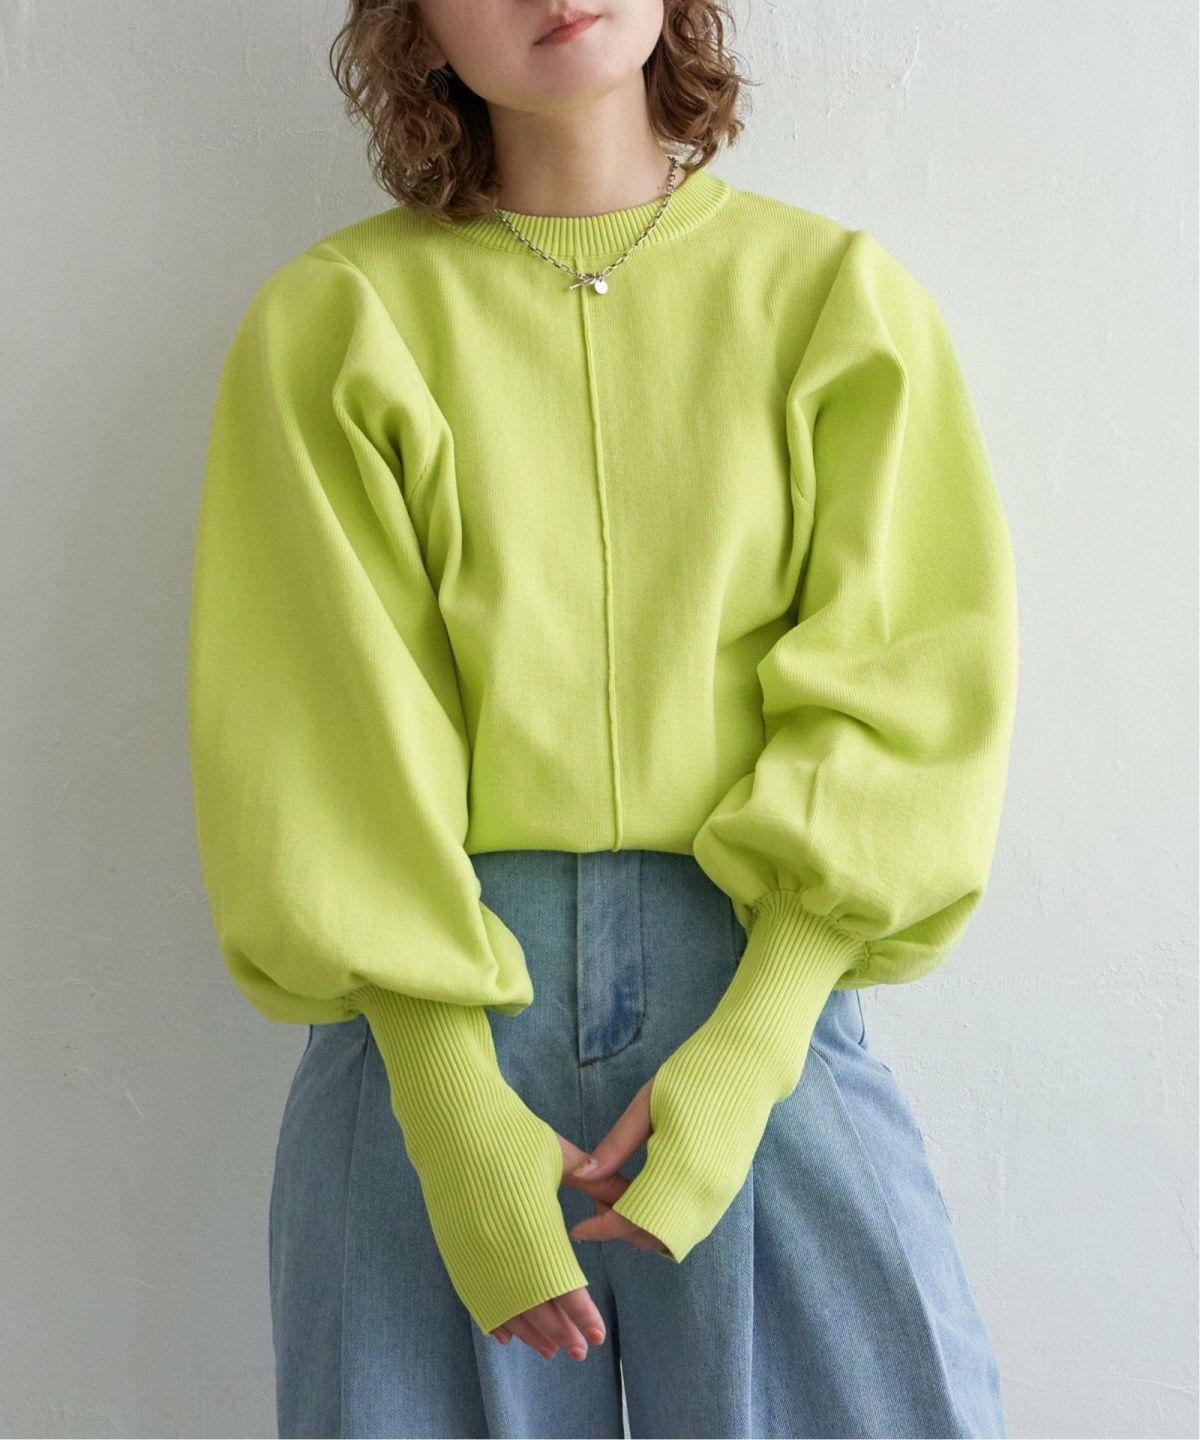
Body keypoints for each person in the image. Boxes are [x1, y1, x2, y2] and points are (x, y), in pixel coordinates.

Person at [186, 1, 1019, 1436]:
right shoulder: (337, 323)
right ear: (413, 24)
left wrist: (754, 1045)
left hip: (760, 1001)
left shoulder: (835, 302)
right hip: (433, 1042)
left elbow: (909, 683)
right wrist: (449, 1107)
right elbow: (312, 725)